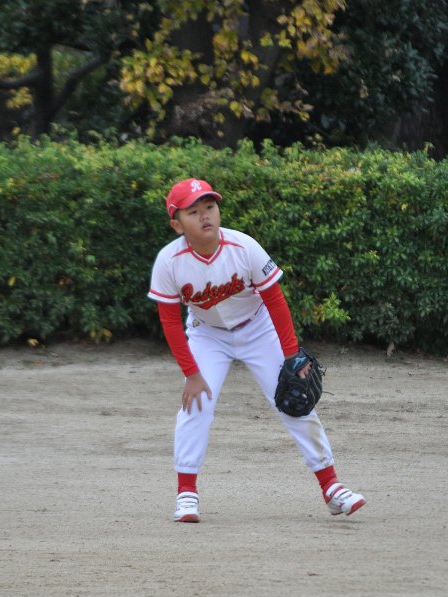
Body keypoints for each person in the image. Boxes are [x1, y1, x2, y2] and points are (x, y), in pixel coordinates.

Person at [147, 177, 366, 523]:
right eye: (194, 211)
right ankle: (186, 493)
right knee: (197, 404)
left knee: (295, 399)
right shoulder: (169, 261)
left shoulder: (243, 246)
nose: (206, 215)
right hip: (208, 335)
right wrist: (191, 374)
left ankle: (332, 488)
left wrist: (292, 355)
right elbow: (170, 322)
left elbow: (275, 300)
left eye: (210, 206)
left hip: (258, 328)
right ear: (177, 224)